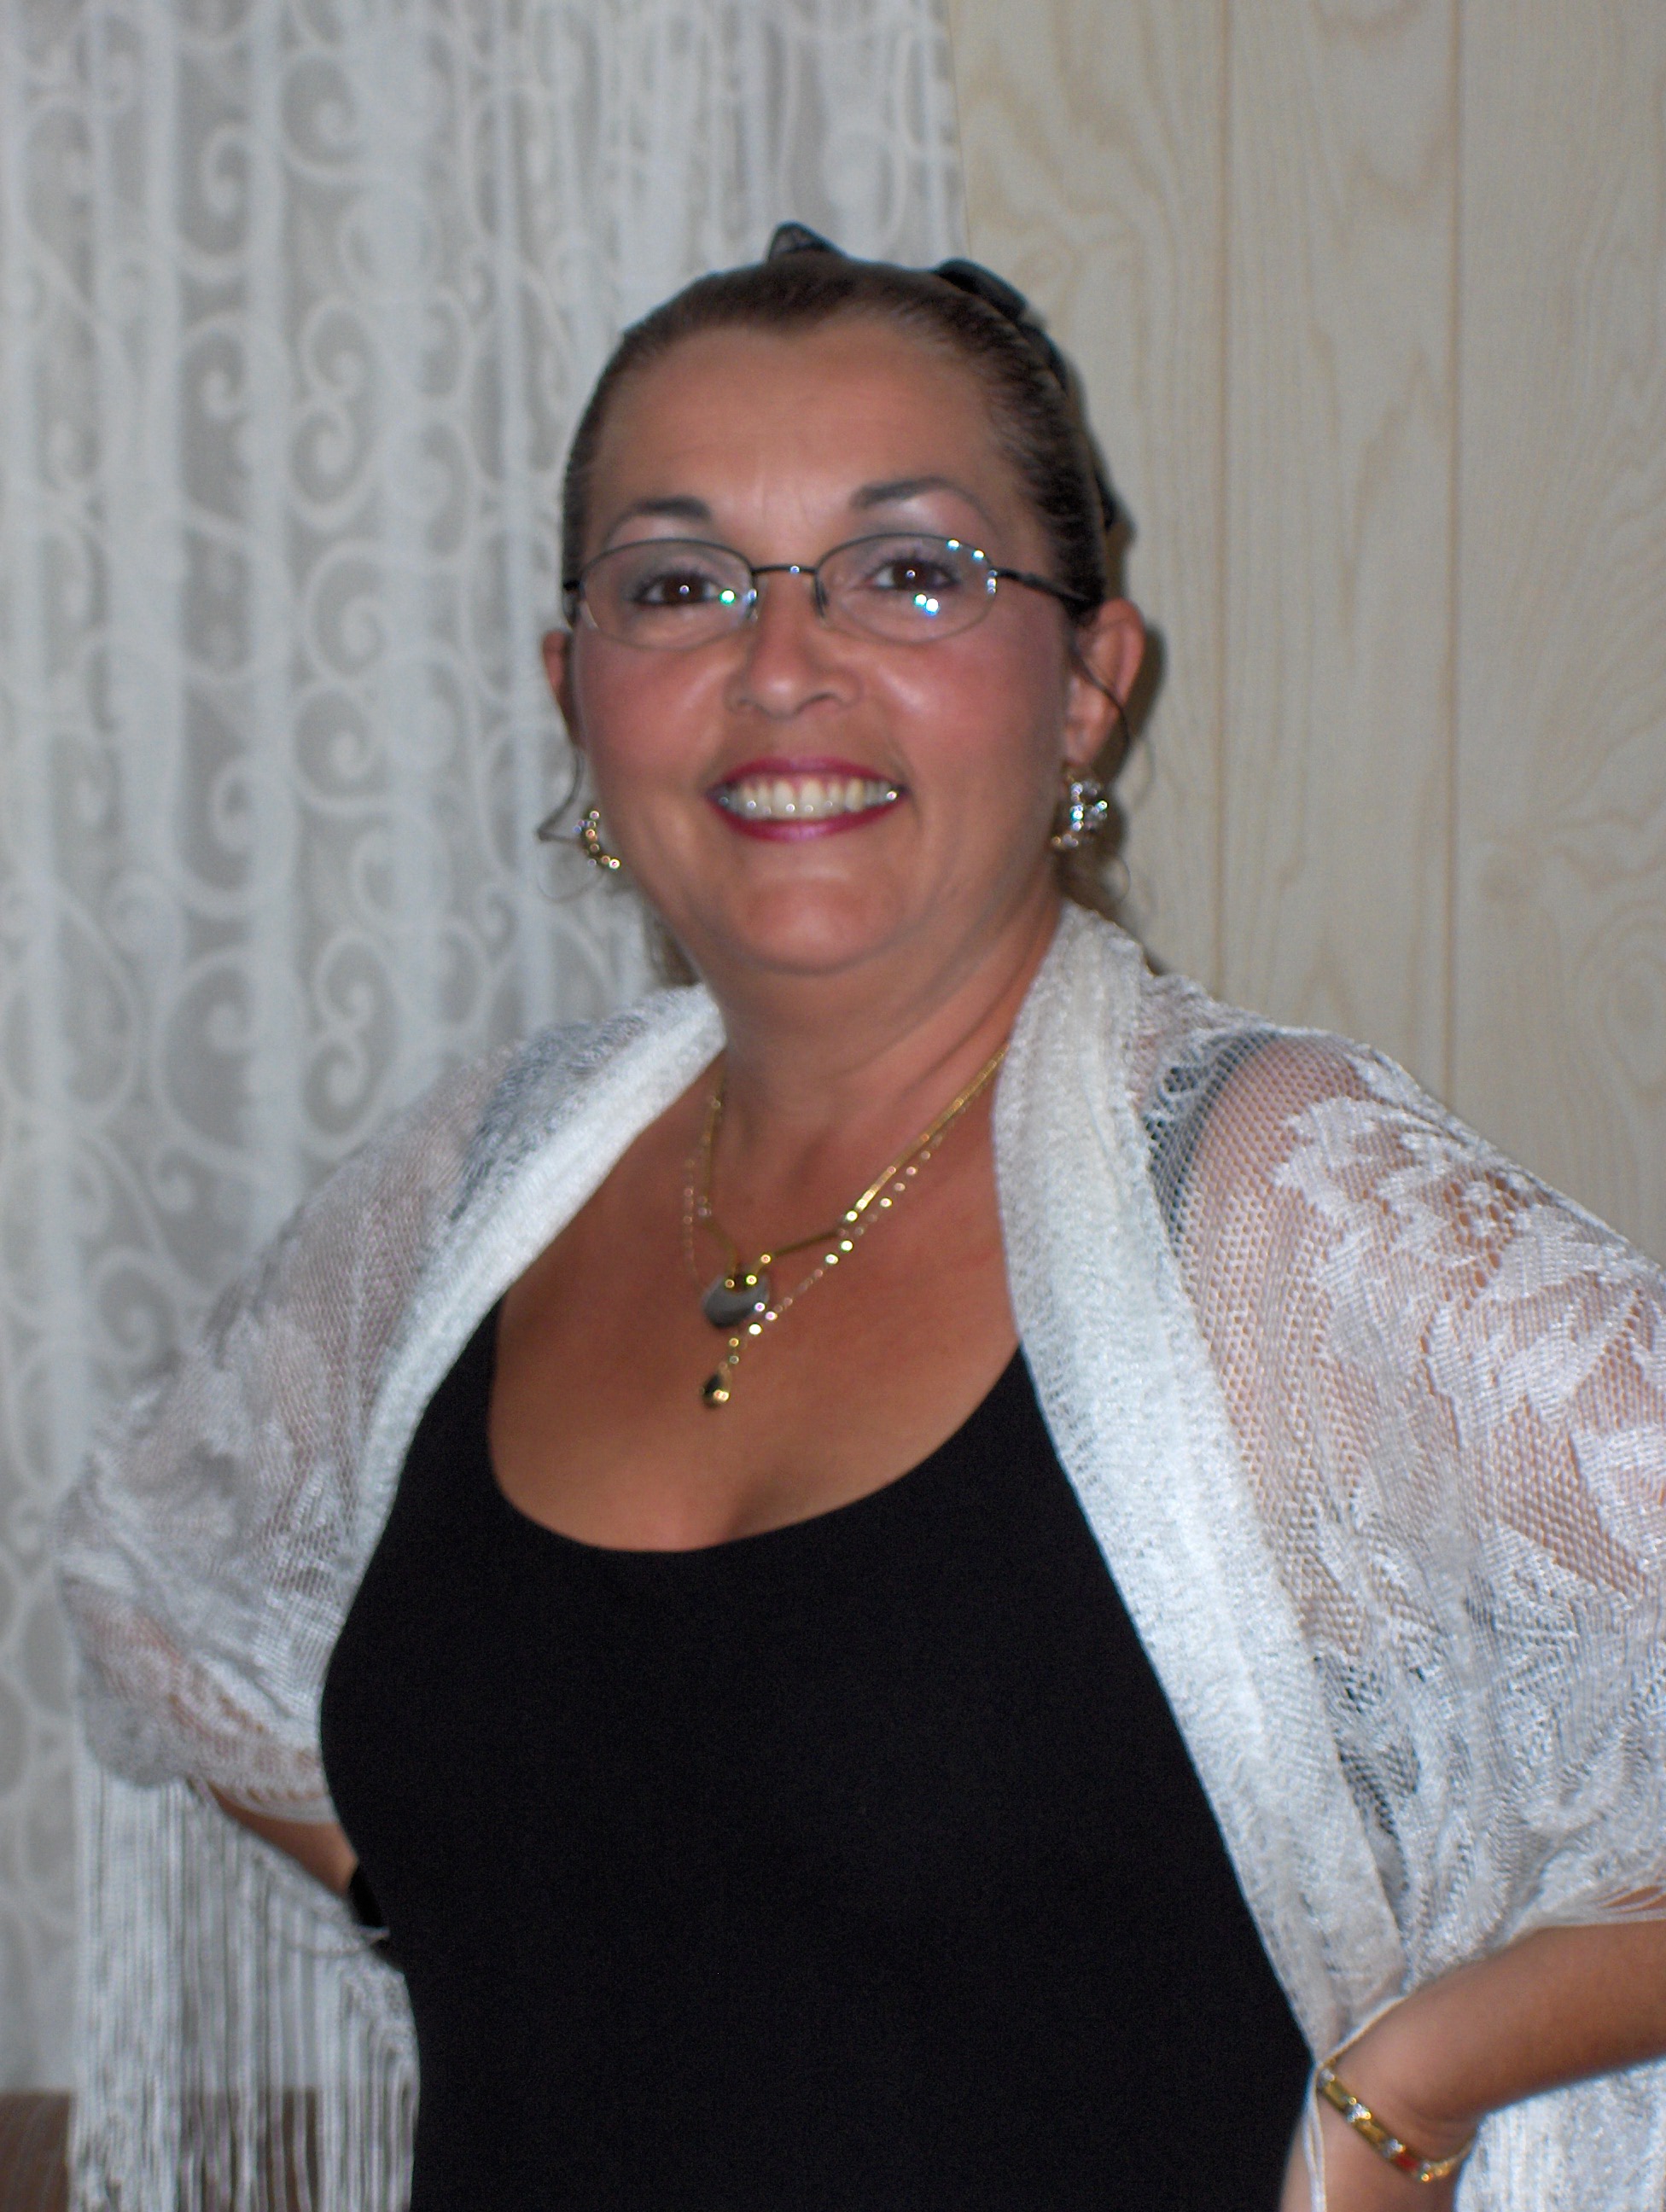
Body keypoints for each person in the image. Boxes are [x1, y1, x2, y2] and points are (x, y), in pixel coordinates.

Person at [58, 228, 1666, 2211]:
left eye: (910, 573)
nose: (779, 666)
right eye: (679, 586)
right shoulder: (483, 1173)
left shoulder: (1274, 1199)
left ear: (1088, 684)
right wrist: (484, 1907)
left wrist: (1413, 2080)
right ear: (574, 692)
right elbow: (151, 1579)